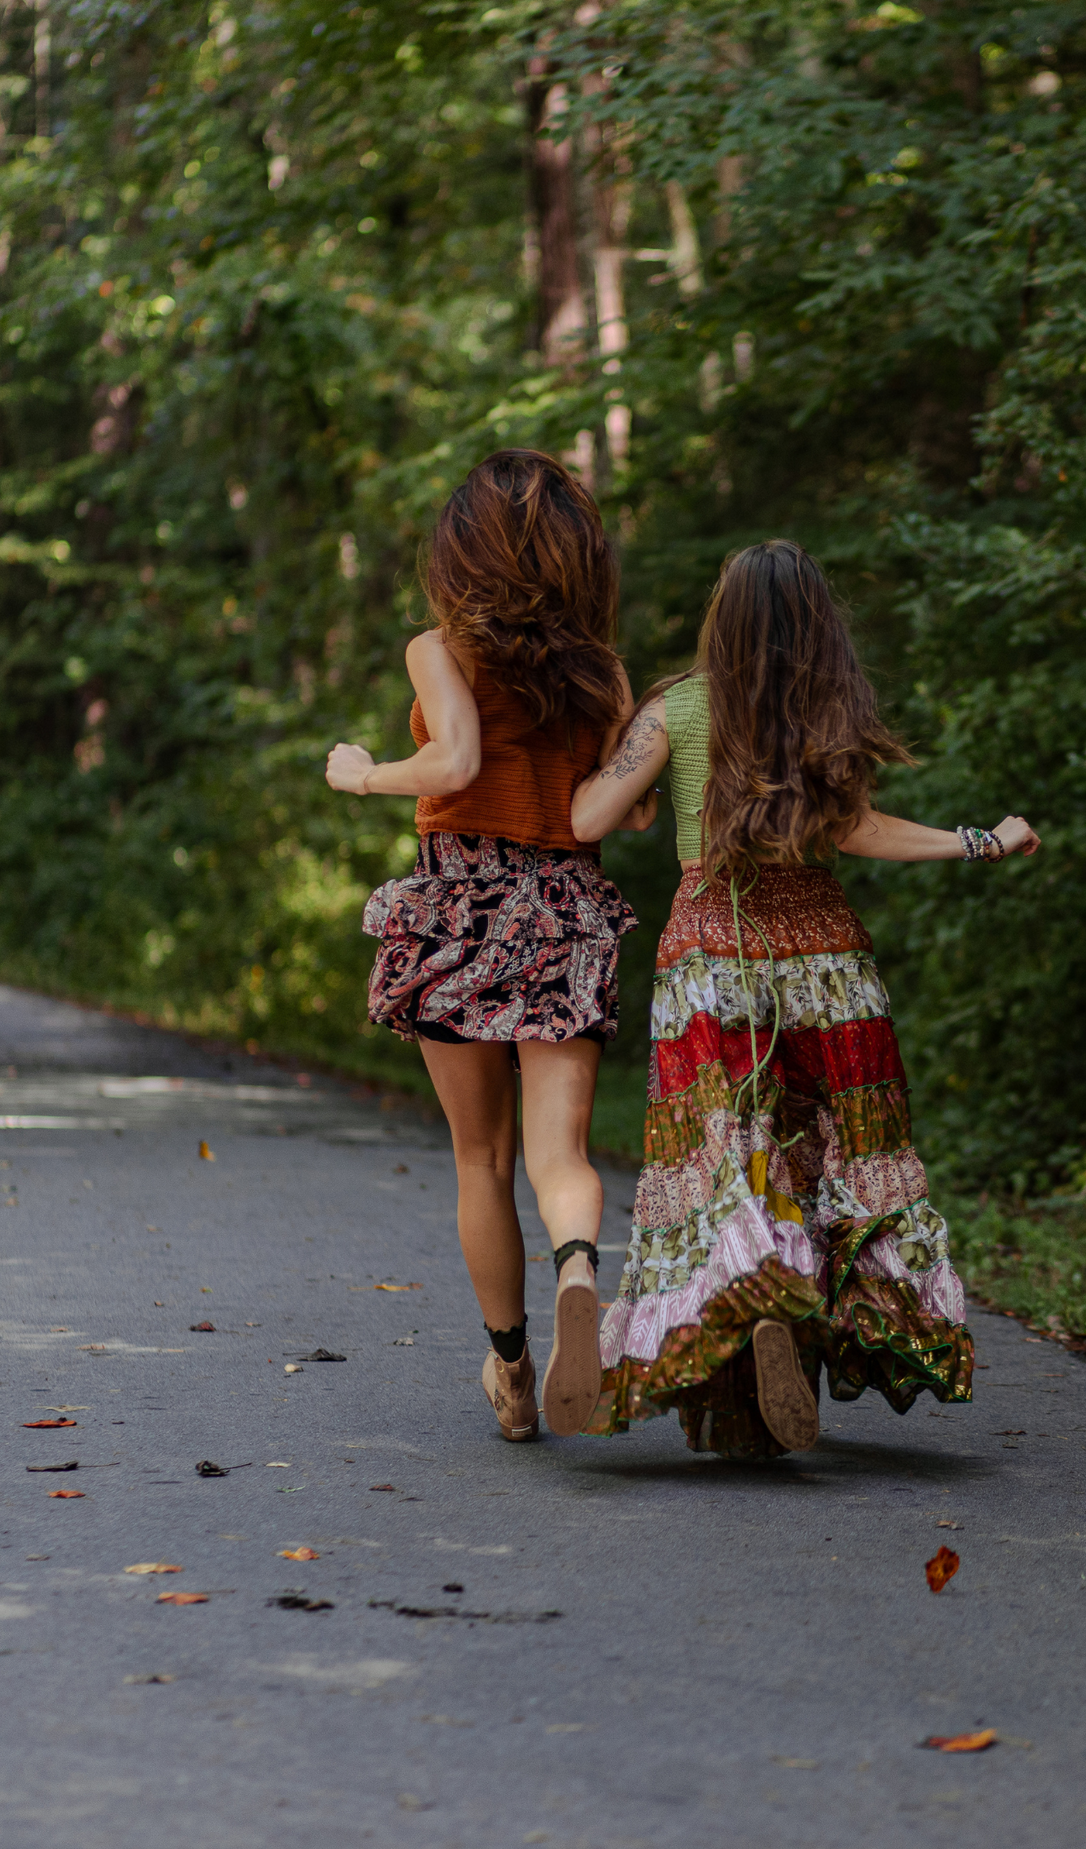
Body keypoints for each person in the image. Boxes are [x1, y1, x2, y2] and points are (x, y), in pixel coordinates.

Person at [570, 539, 1039, 1458]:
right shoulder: (823, 718)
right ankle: (793, 1339)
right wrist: (980, 840)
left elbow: (588, 819)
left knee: (724, 1158)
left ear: (722, 614)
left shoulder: (675, 709)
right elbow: (862, 831)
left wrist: (629, 783)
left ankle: (752, 1326)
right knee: (835, 1153)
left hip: (714, 953)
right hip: (824, 955)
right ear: (819, 625)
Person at [325, 451, 646, 1443]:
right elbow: (620, 815)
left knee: (481, 1156)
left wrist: (365, 772)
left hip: (458, 901)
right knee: (559, 1150)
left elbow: (456, 758)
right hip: (562, 903)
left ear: (463, 554)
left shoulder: (439, 649)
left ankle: (510, 1370)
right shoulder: (603, 673)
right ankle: (581, 1271)